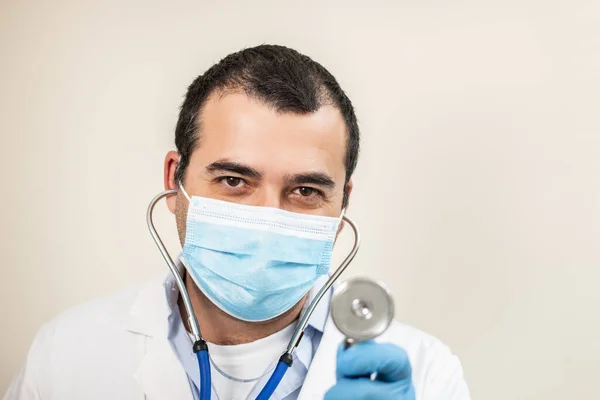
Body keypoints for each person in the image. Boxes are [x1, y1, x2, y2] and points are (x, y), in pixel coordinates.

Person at [4, 45, 470, 400]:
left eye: (305, 191)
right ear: (175, 179)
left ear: (342, 203)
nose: (268, 216)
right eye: (233, 180)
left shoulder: (422, 375)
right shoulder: (67, 355)